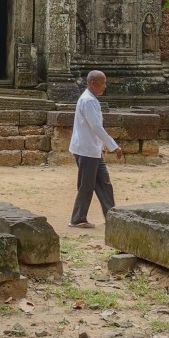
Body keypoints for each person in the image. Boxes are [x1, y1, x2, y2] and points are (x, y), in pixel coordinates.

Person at [68, 70, 123, 229]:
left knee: (104, 183)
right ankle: (78, 219)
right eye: (102, 83)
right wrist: (113, 146)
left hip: (91, 149)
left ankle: (112, 216)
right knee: (87, 185)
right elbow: (96, 127)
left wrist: (101, 145)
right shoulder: (89, 101)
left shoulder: (89, 99)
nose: (105, 86)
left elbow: (93, 128)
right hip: (86, 150)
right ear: (93, 83)